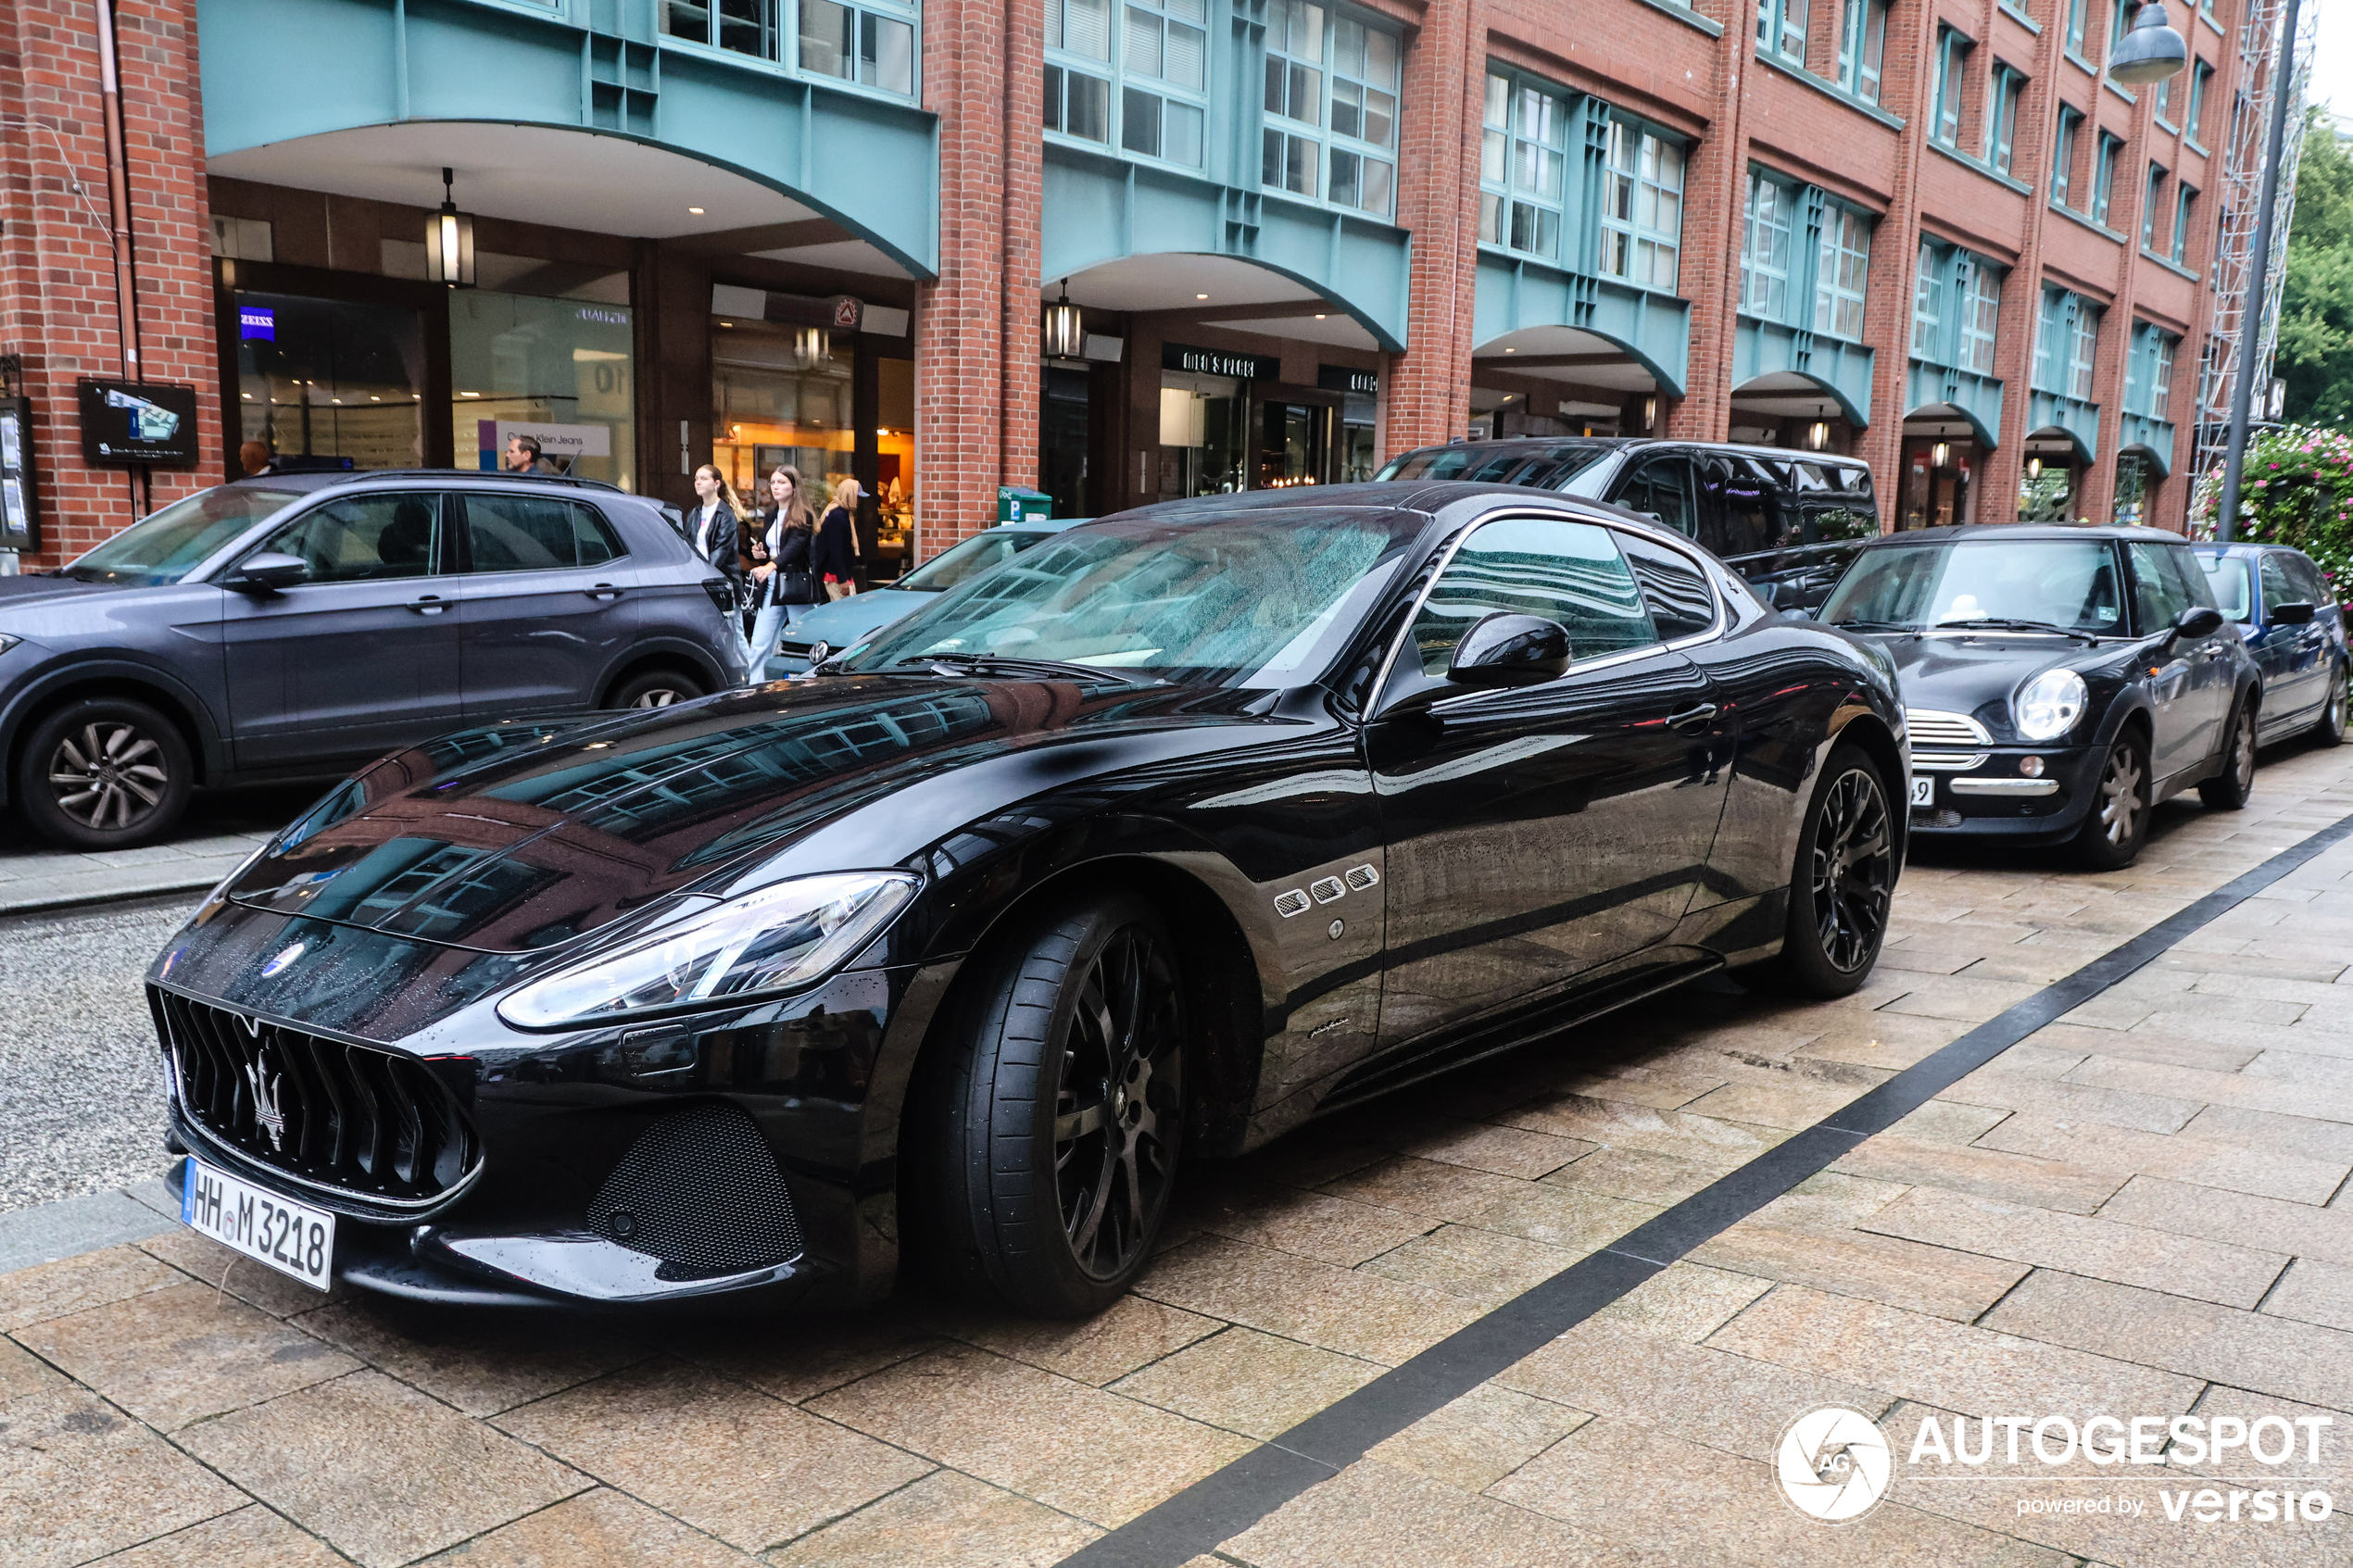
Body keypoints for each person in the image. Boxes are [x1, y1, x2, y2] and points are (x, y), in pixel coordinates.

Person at [745, 465, 818, 682]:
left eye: (782, 482)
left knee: (806, 641)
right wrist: (760, 553)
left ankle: (810, 684)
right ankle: (754, 689)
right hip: (772, 584)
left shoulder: (803, 516)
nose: (776, 487)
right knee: (759, 642)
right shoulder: (771, 515)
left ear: (794, 487)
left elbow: (793, 549)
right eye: (773, 482)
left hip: (795, 584)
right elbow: (773, 550)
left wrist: (770, 565)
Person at [687, 464, 750, 657]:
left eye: (703, 478)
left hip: (723, 583)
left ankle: (753, 679)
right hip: (701, 581)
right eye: (697, 478)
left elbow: (721, 551)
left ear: (716, 484)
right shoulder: (694, 514)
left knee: (735, 632)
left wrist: (702, 574)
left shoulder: (726, 514)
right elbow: (688, 545)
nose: (698, 482)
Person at [814, 477, 864, 601]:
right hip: (835, 577)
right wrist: (842, 579)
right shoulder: (837, 516)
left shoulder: (840, 513)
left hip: (840, 575)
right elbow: (835, 550)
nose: (859, 501)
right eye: (857, 497)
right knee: (844, 615)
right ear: (850, 495)